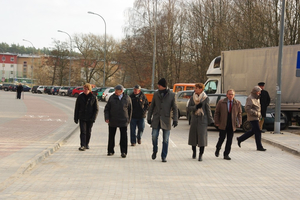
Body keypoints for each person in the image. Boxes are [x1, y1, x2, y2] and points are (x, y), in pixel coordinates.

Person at [147, 78, 178, 163]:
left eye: (159, 85)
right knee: (154, 136)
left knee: (166, 139)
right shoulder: (156, 94)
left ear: (163, 86)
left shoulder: (171, 95)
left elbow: (175, 108)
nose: (158, 86)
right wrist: (149, 117)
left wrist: (175, 119)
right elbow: (151, 106)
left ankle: (164, 156)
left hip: (166, 119)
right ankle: (155, 150)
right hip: (156, 119)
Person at [188, 83, 214, 161]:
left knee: (202, 138)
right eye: (195, 88)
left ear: (201, 89)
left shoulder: (205, 98)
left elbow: (208, 109)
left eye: (196, 88)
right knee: (193, 137)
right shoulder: (192, 97)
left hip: (203, 120)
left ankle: (200, 154)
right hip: (194, 119)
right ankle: (194, 152)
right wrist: (195, 107)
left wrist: (211, 120)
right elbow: (188, 108)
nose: (195, 89)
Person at [104, 84, 132, 158]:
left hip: (123, 120)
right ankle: (110, 151)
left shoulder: (127, 98)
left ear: (122, 91)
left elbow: (130, 110)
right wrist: (107, 117)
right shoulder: (112, 98)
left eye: (117, 91)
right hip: (113, 120)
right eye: (115, 90)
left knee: (124, 137)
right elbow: (107, 109)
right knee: (111, 136)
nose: (116, 92)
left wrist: (129, 119)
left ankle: (123, 152)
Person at [214, 89, 242, 160]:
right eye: (229, 94)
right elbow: (217, 113)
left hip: (232, 124)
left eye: (232, 94)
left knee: (229, 140)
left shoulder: (237, 103)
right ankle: (218, 148)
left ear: (234, 95)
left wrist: (239, 123)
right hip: (223, 123)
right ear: (227, 95)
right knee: (221, 138)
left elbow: (239, 114)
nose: (230, 96)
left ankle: (226, 154)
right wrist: (217, 122)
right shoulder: (221, 102)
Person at [237, 86, 266, 151]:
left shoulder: (257, 98)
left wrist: (259, 115)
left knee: (253, 131)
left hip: (257, 117)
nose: (259, 93)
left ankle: (240, 139)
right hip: (253, 117)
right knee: (258, 131)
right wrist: (255, 113)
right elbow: (247, 109)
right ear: (255, 92)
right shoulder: (250, 98)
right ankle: (259, 146)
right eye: (258, 92)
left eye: (260, 92)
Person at [74, 83, 99, 151]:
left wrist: (94, 118)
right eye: (84, 88)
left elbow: (96, 109)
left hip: (90, 117)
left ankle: (87, 143)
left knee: (88, 131)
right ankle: (82, 145)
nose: (85, 90)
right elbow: (77, 108)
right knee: (83, 131)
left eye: (86, 89)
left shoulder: (93, 97)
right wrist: (76, 118)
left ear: (89, 89)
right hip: (82, 117)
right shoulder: (80, 97)